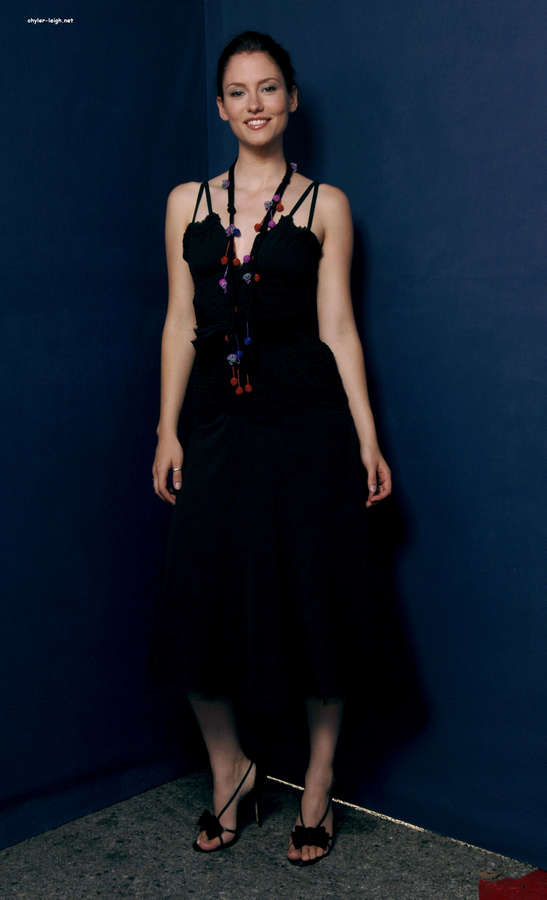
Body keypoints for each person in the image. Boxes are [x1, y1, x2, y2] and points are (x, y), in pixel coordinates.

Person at [149, 30, 392, 866]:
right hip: (218, 420)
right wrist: (166, 429)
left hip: (307, 423)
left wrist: (366, 437)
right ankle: (232, 769)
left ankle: (318, 784)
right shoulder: (186, 202)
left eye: (267, 88)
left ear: (289, 100)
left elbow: (338, 327)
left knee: (319, 600)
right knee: (197, 597)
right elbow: (179, 323)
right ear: (220, 108)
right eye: (237, 91)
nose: (254, 104)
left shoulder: (326, 204)